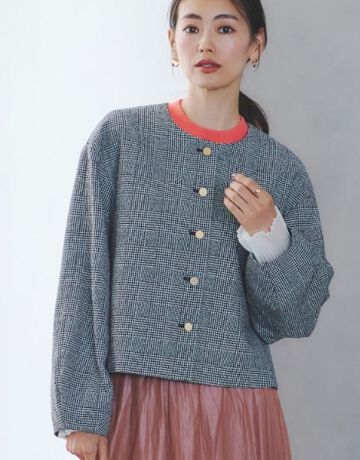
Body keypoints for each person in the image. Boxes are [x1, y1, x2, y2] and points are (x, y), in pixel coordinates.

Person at [50, 0, 335, 458]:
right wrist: (81, 412)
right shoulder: (119, 138)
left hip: (238, 411)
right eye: (191, 28)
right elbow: (82, 278)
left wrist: (269, 236)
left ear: (255, 45)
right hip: (133, 403)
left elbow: (296, 319)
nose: (205, 44)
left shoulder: (282, 170)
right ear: (171, 42)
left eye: (225, 28)